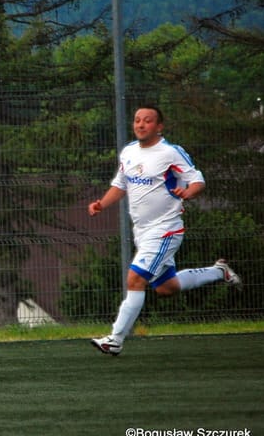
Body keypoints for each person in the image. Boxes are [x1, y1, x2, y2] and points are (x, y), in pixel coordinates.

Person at [88, 106, 241, 356]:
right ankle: (218, 271)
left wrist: (188, 192)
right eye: (137, 120)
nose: (140, 124)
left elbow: (197, 180)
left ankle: (115, 339)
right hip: (143, 231)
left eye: (147, 121)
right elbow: (120, 184)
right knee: (166, 287)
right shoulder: (128, 152)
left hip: (166, 229)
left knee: (135, 279)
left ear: (159, 126)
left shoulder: (170, 153)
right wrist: (101, 204)